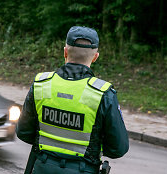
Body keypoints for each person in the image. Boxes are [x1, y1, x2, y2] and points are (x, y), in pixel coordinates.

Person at [16, 26, 129, 174]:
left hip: (42, 166)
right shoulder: (103, 93)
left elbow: (24, 132)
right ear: (95, 57)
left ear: (65, 52)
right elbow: (118, 148)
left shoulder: (41, 84)